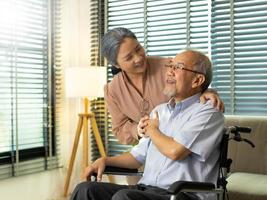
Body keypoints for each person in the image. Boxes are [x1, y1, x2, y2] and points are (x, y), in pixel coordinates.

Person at [70, 49, 224, 200]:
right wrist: (104, 160)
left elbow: (175, 151)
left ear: (197, 80)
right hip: (147, 190)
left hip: (182, 194)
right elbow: (136, 157)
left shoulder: (208, 112)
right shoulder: (160, 111)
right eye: (170, 66)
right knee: (86, 189)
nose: (169, 72)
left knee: (124, 197)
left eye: (178, 67)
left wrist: (152, 129)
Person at [102, 27, 224, 145]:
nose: (138, 58)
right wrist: (139, 130)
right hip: (149, 151)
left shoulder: (169, 66)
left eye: (138, 49)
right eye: (129, 57)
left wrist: (206, 91)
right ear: (116, 64)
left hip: (182, 144)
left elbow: (195, 81)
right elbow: (119, 129)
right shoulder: (112, 90)